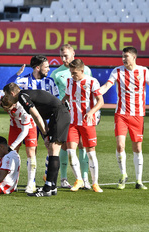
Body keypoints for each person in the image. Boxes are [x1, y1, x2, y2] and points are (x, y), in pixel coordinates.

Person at [3, 83, 70, 197]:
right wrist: (46, 134)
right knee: (52, 151)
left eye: (7, 96)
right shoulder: (27, 95)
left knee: (54, 150)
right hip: (59, 115)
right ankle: (52, 187)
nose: (7, 99)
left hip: (59, 115)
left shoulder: (22, 96)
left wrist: (45, 134)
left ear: (12, 93)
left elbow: (36, 117)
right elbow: (41, 115)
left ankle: (47, 188)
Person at [100, 47, 148, 190]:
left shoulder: (144, 71)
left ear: (134, 57)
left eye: (126, 56)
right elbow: (108, 85)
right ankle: (123, 175)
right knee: (120, 145)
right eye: (123, 56)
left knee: (137, 147)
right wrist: (97, 92)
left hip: (138, 115)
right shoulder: (118, 71)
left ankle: (139, 180)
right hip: (121, 114)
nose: (124, 59)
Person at [51, 44, 93, 189]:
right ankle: (63, 178)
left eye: (66, 55)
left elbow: (92, 92)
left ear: (73, 54)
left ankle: (85, 178)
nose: (63, 58)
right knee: (64, 144)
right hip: (65, 113)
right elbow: (54, 95)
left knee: (83, 144)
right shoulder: (56, 73)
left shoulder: (86, 70)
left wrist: (95, 112)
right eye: (61, 56)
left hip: (83, 112)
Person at [13, 55, 59, 185]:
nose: (48, 69)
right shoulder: (23, 81)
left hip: (47, 120)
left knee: (51, 147)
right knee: (31, 150)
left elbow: (57, 101)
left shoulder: (50, 82)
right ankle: (30, 181)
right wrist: (17, 74)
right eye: (46, 67)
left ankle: (47, 176)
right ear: (37, 68)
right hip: (29, 121)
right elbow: (8, 88)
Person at [62, 59, 104, 193]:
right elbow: (66, 98)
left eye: (75, 73)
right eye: (71, 73)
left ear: (82, 70)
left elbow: (101, 101)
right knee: (70, 151)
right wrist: (59, 107)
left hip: (87, 122)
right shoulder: (69, 81)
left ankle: (95, 183)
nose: (73, 75)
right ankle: (79, 179)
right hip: (73, 122)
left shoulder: (92, 81)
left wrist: (92, 111)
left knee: (91, 154)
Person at [0, 94, 37, 194]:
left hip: (28, 126)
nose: (5, 110)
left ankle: (31, 183)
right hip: (14, 126)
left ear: (14, 104)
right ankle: (11, 183)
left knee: (30, 153)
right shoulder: (2, 98)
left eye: (8, 108)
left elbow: (24, 131)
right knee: (11, 154)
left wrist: (12, 145)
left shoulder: (24, 110)